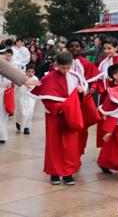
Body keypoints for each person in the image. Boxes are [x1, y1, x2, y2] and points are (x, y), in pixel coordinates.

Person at [27, 52, 85, 184]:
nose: (65, 71)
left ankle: (68, 173)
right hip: (54, 116)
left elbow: (80, 97)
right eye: (62, 68)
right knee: (54, 144)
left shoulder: (75, 77)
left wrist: (80, 92)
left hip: (70, 115)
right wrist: (60, 108)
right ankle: (54, 173)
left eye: (67, 68)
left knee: (70, 145)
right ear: (56, 65)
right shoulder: (48, 78)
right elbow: (45, 98)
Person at [67, 38, 103, 153]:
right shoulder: (64, 62)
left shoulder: (86, 63)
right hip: (67, 99)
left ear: (81, 48)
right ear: (68, 48)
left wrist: (92, 88)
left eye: (77, 46)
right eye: (72, 46)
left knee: (82, 125)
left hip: (83, 99)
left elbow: (95, 79)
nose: (74, 48)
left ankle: (79, 149)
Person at [15, 64, 39, 135]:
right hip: (21, 97)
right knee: (21, 112)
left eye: (32, 72)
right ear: (25, 72)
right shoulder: (21, 78)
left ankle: (26, 127)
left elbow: (36, 88)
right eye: (29, 71)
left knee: (30, 112)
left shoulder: (35, 79)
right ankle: (18, 121)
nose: (30, 73)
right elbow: (16, 87)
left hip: (31, 98)